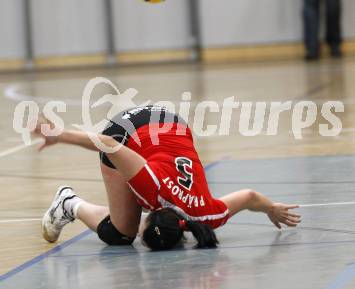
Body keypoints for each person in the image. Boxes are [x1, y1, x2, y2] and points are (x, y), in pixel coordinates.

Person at [37, 106, 301, 251]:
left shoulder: (206, 217)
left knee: (124, 227)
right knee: (122, 234)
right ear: (155, 210)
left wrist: (271, 208)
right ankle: (68, 202)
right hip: (126, 129)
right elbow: (108, 143)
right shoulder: (151, 184)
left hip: (172, 121)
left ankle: (69, 203)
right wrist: (60, 135)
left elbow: (250, 197)